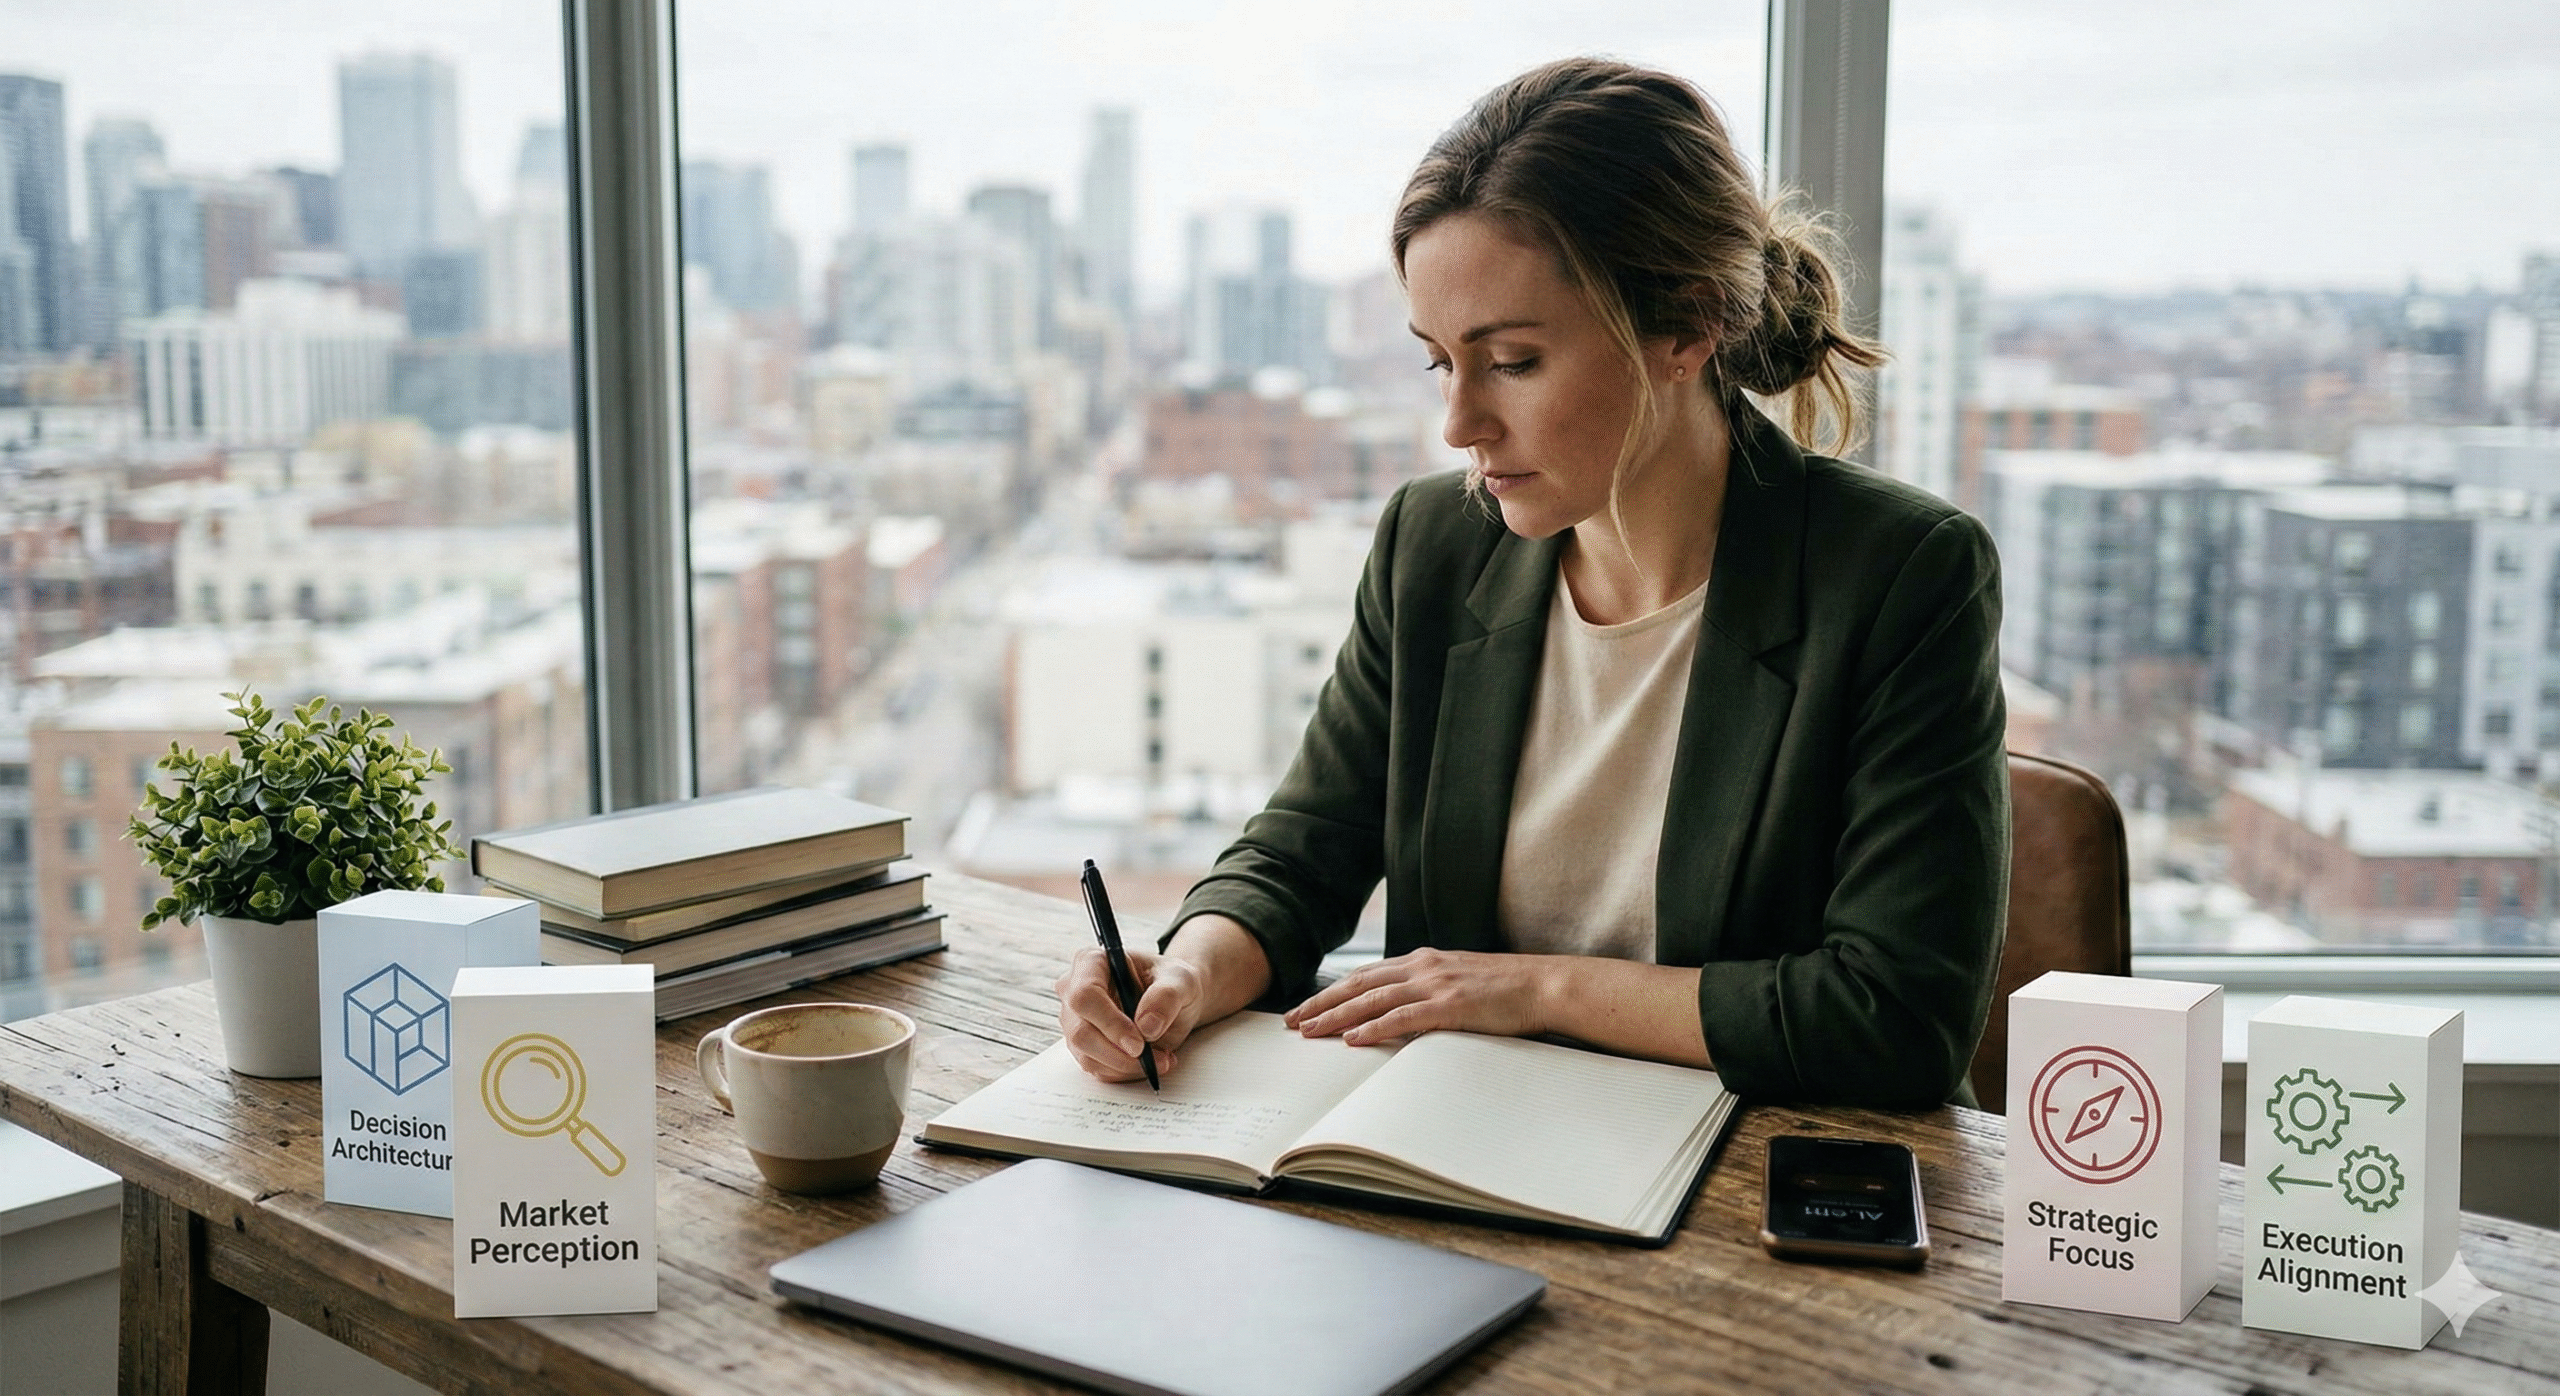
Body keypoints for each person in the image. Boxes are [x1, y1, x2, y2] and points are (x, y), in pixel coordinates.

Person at [1055, 57, 2010, 1108]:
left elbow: (1896, 1019)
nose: (1459, 424)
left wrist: (1537, 989)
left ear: (1686, 326)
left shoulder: (1899, 577)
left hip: (1751, 1186)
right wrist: (1189, 966)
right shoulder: (1434, 541)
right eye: (1437, 361)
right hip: (1454, 1156)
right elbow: (1300, 852)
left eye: (1509, 361)